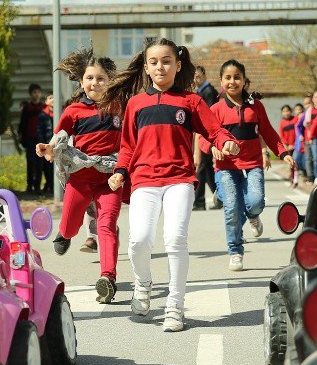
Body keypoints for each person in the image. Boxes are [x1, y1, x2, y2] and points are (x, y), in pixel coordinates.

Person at [102, 37, 240, 332]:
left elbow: (214, 131)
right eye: (154, 62)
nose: (160, 67)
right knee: (139, 240)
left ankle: (175, 307)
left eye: (166, 61)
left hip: (180, 179)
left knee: (175, 239)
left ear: (178, 66)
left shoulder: (191, 102)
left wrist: (227, 142)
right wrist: (120, 171)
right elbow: (127, 146)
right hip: (144, 180)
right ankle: (143, 283)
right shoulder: (136, 104)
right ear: (146, 69)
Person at [36, 48, 122, 303]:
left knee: (106, 226)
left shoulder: (119, 107)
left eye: (100, 78)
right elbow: (60, 137)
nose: (94, 83)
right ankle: (64, 234)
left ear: (110, 81)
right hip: (81, 177)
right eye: (90, 78)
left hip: (109, 179)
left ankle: (108, 277)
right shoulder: (74, 110)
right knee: (72, 224)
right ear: (82, 81)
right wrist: (49, 149)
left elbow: (131, 138)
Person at [207, 60, 296, 271]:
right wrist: (212, 147)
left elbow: (268, 132)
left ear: (245, 81)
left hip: (252, 162)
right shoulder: (216, 109)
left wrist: (282, 152)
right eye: (227, 77)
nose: (232, 81)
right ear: (221, 81)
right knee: (231, 208)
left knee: (255, 202)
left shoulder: (256, 106)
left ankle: (253, 216)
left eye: (237, 77)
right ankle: (235, 251)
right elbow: (205, 135)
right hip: (225, 166)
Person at [192, 65, 222, 211]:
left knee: (201, 167)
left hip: (206, 135)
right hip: (201, 134)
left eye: (198, 76)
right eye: (194, 77)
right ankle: (221, 197)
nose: (195, 79)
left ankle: (199, 201)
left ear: (204, 75)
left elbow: (208, 116)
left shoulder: (209, 92)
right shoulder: (200, 91)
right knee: (208, 168)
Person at [19, 84, 47, 194]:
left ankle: (37, 186)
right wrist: (22, 137)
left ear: (40, 93)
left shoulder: (44, 108)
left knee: (40, 163)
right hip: (30, 139)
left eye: (38, 92)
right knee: (30, 163)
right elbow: (22, 124)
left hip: (41, 139)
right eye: (34, 92)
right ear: (31, 94)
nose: (36, 94)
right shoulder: (27, 108)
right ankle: (29, 185)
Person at [279, 105, 298, 186]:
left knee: (296, 162)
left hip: (296, 146)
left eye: (288, 111)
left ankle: (296, 179)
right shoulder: (282, 123)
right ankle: (293, 179)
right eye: (284, 111)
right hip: (288, 147)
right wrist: (286, 146)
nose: (286, 113)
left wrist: (294, 144)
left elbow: (299, 132)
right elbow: (281, 136)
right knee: (291, 163)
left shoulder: (295, 119)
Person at [292, 103, 307, 186]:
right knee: (295, 161)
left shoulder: (303, 116)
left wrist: (301, 135)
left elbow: (299, 128)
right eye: (296, 109)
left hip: (303, 142)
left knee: (302, 161)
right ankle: (295, 179)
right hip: (297, 144)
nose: (298, 111)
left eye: (299, 109)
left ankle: (303, 176)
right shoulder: (295, 119)